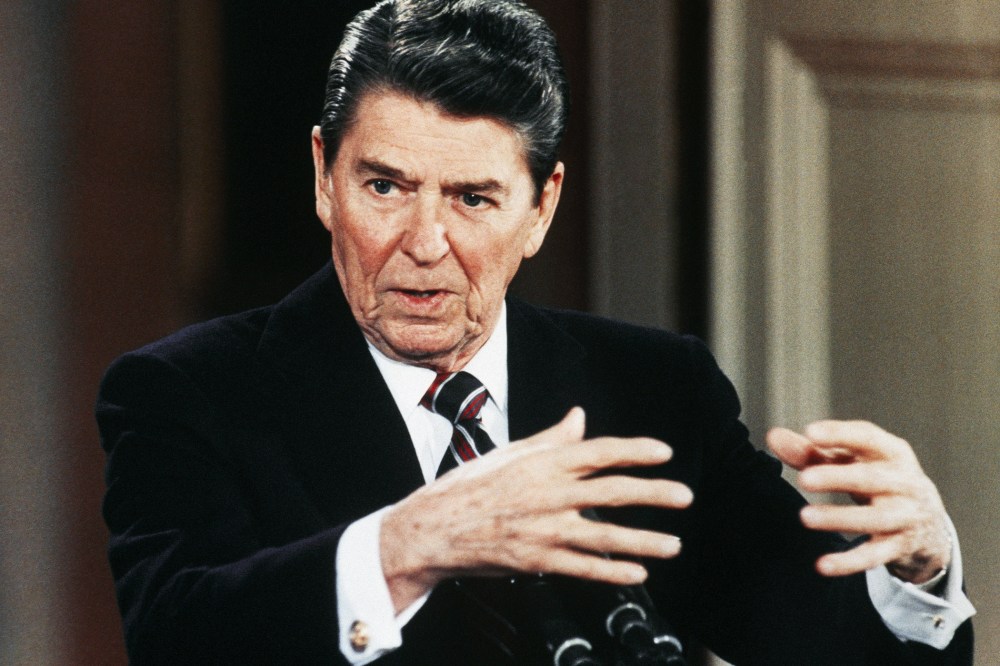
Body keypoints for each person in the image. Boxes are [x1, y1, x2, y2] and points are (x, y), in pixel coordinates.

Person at [96, 1, 975, 664]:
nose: (425, 245)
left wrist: (918, 572)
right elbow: (178, 636)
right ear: (326, 177)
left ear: (541, 208)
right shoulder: (188, 393)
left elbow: (813, 640)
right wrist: (409, 545)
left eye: (473, 199)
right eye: (386, 187)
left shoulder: (653, 389)